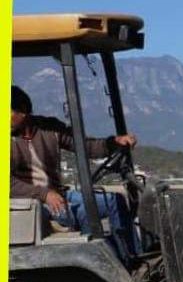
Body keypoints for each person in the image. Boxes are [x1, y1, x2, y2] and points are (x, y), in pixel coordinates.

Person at [10, 85, 141, 266]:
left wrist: (113, 142)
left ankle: (133, 259)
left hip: (59, 194)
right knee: (86, 211)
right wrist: (44, 194)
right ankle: (103, 265)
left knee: (114, 200)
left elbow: (84, 145)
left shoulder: (49, 129)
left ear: (22, 111)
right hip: (31, 204)